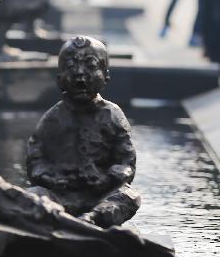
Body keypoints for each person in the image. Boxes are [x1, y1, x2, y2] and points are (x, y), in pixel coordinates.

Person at [27, 36, 141, 227]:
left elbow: (127, 162)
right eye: (71, 66)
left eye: (90, 65)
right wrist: (50, 177)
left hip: (98, 198)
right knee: (31, 196)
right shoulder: (52, 118)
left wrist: (109, 178)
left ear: (105, 76)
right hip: (60, 196)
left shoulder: (112, 115)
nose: (80, 73)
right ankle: (58, 217)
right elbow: (35, 160)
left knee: (129, 196)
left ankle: (91, 219)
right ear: (59, 79)